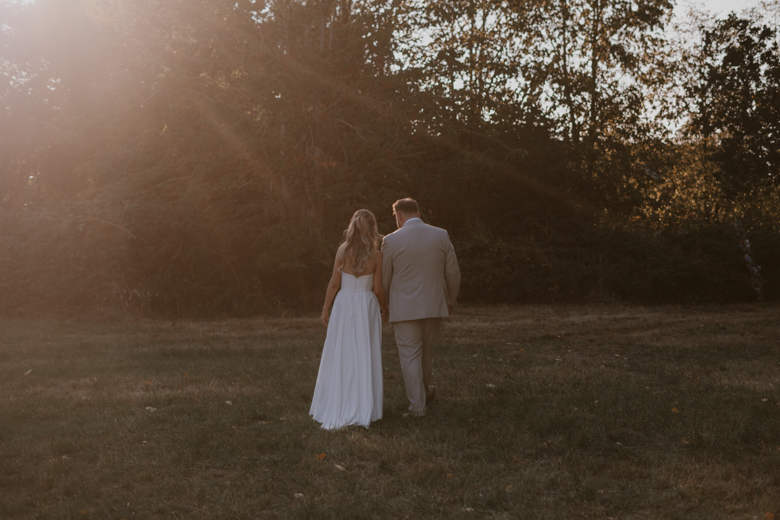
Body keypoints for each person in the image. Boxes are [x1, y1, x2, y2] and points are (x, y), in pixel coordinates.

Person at [309, 209, 388, 430]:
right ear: (372, 228)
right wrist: (385, 307)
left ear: (352, 226)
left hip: (343, 304)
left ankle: (337, 400)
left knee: (341, 350)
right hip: (365, 305)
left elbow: (334, 283)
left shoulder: (342, 251)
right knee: (364, 349)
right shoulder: (376, 255)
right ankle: (363, 404)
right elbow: (377, 289)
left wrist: (326, 308)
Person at [382, 198, 460, 417]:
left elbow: (385, 277)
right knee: (426, 353)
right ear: (417, 214)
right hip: (434, 305)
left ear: (398, 216)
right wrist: (451, 300)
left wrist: (383, 304)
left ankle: (417, 407)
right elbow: (453, 272)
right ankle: (424, 393)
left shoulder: (391, 240)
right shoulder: (441, 235)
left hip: (404, 308)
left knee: (410, 356)